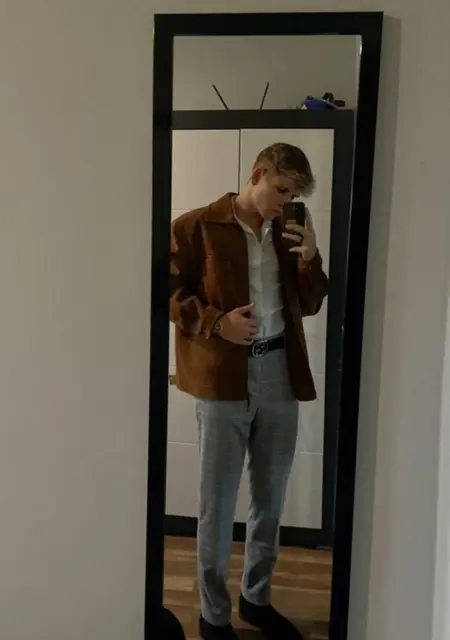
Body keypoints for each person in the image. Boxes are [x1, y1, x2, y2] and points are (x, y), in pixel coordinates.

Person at [169, 142, 329, 640]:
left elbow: (311, 303)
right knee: (217, 501)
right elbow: (168, 294)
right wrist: (218, 323)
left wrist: (310, 259)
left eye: (294, 195)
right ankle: (213, 615)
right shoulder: (196, 226)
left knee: (271, 497)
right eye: (281, 190)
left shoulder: (288, 232)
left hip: (280, 372)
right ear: (257, 174)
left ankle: (256, 600)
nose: (286, 202)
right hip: (222, 377)